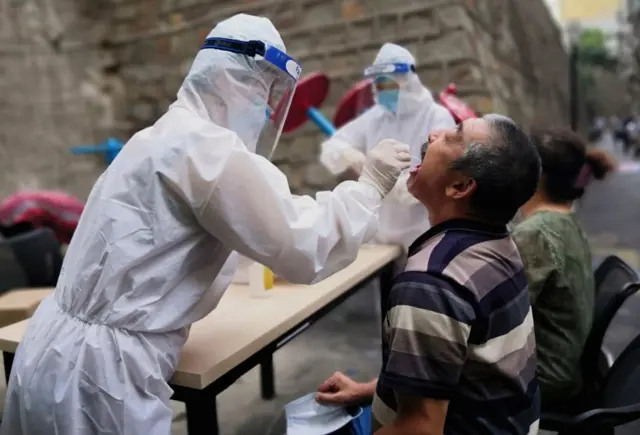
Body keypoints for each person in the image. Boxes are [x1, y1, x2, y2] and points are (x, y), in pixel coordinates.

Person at [0, 14, 412, 435]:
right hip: (105, 379)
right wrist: (369, 187)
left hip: (48, 352)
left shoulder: (156, 137)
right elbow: (304, 245)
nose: (268, 109)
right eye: (265, 93)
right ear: (236, 81)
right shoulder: (208, 148)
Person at [317, 115, 542, 434]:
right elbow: (459, 367)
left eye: (453, 136)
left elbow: (419, 428)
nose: (435, 133)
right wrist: (374, 391)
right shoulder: (498, 245)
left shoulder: (431, 283)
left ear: (460, 186)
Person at [512, 127, 617, 410]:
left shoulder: (535, 233)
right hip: (566, 365)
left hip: (545, 376)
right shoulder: (564, 220)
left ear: (536, 175)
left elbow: (500, 315)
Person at [319, 43, 456, 250]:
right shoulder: (376, 117)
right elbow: (333, 145)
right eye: (379, 86)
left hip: (423, 236)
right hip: (380, 240)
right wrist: (351, 157)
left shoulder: (436, 116)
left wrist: (403, 186)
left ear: (408, 82)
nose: (384, 92)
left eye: (390, 85)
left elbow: (441, 172)